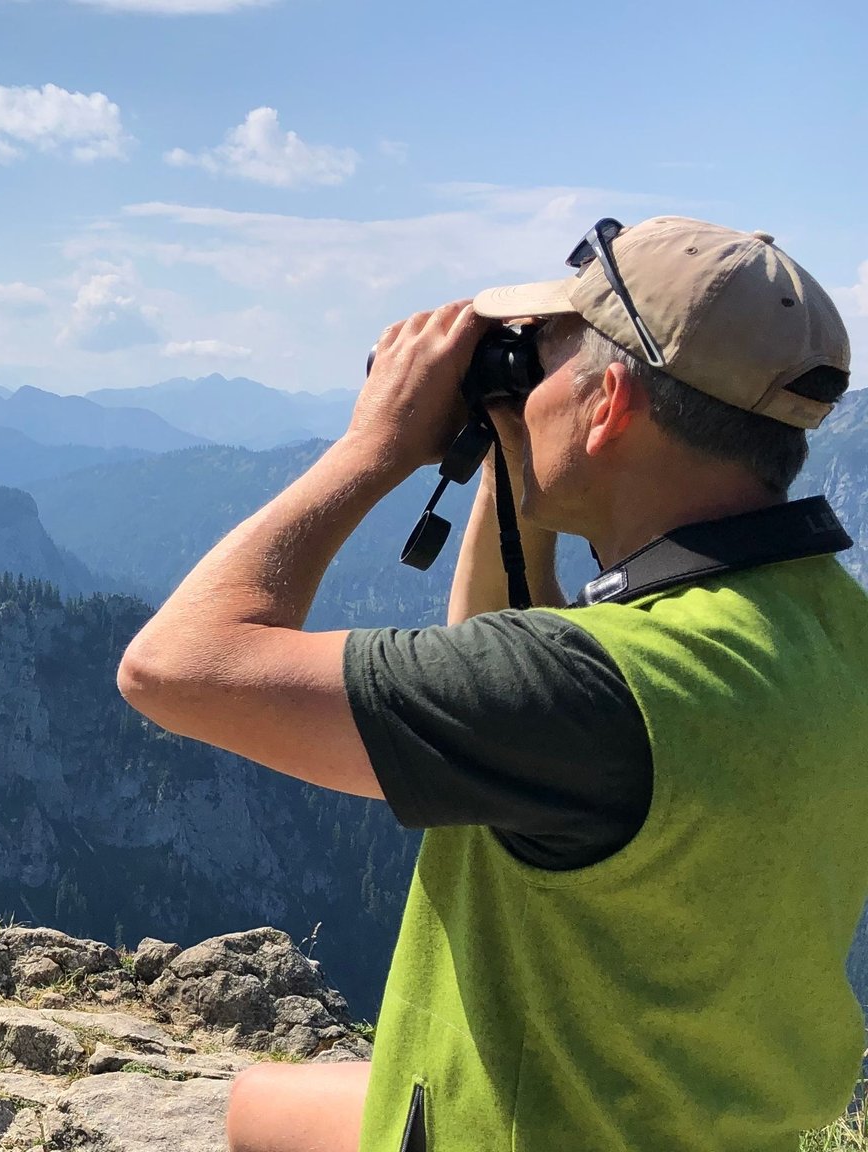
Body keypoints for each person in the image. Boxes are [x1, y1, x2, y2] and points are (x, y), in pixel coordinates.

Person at [115, 216, 868, 1152]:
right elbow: (507, 663)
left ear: (608, 405)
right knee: (260, 1102)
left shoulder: (591, 691)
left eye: (541, 363)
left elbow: (173, 669)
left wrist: (374, 448)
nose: (522, 386)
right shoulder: (831, 629)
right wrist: (521, 464)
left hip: (523, 1130)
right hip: (691, 1114)